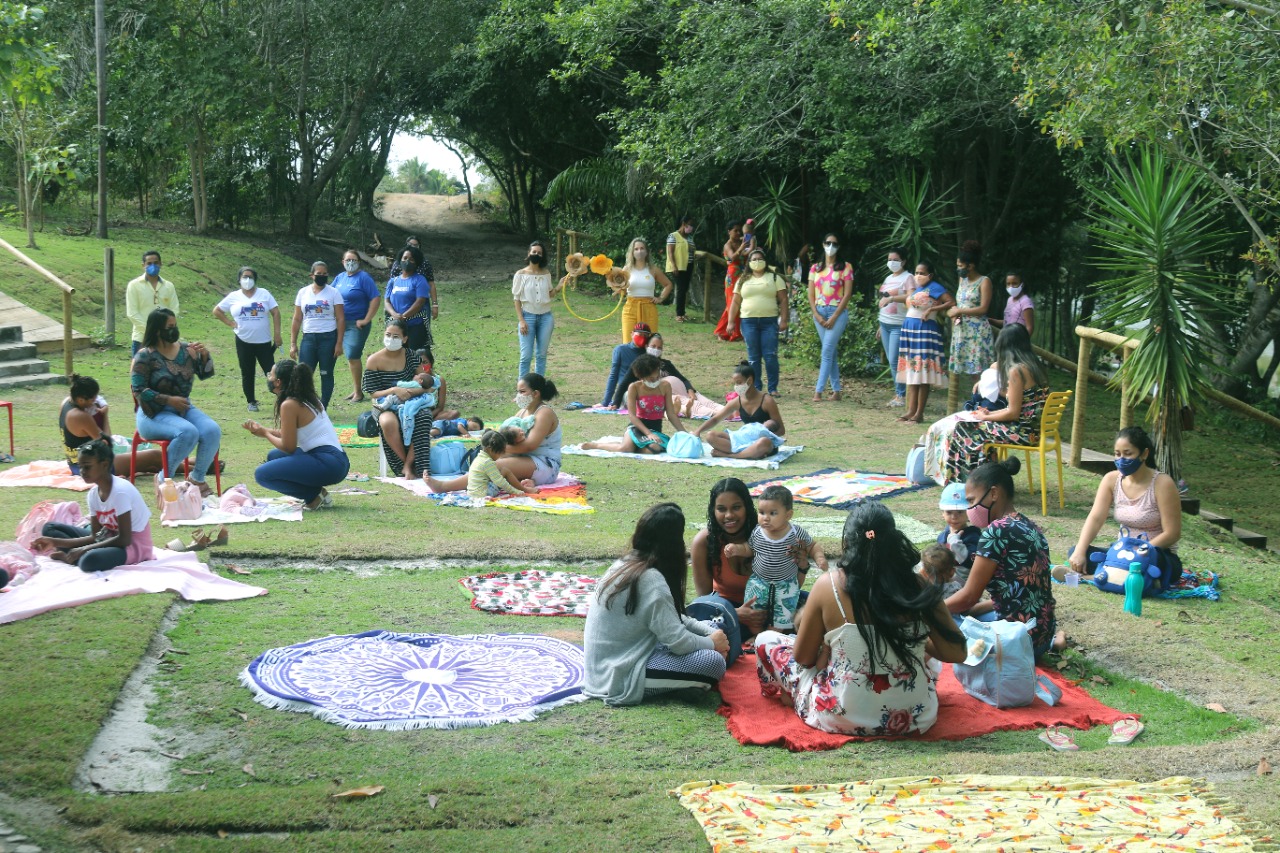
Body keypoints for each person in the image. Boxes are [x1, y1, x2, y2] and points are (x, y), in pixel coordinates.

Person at [754, 501, 967, 736]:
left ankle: (792, 695)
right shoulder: (918, 586)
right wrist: (910, 638)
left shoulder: (829, 586)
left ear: (848, 542)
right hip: (914, 717)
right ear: (894, 541)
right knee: (928, 661)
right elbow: (956, 653)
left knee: (766, 640)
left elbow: (803, 658)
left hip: (838, 715)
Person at [583, 502, 729, 706]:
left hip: (623, 657)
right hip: (618, 673)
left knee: (712, 627)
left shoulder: (628, 563)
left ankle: (683, 684)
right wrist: (713, 644)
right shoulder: (650, 579)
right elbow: (679, 642)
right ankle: (681, 685)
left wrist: (710, 634)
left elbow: (674, 619)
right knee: (712, 662)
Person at [945, 457, 1065, 657]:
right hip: (1041, 635)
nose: (970, 509)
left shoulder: (996, 531)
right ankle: (1054, 642)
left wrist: (928, 609)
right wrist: (972, 610)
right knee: (964, 613)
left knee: (943, 620)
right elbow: (1020, 594)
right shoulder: (1030, 526)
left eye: (972, 501)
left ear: (993, 493)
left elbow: (968, 597)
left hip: (1016, 645)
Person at [923, 322, 1050, 485]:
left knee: (964, 428)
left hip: (1021, 432)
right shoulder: (1036, 367)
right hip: (1032, 430)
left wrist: (987, 417)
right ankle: (986, 478)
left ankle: (967, 482)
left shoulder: (1017, 371)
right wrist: (988, 414)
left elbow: (1013, 412)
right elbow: (1020, 408)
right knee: (972, 426)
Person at [1068, 426, 1183, 580]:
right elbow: (1096, 518)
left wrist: (1140, 551)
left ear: (1144, 454)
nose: (1121, 459)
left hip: (1156, 555)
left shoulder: (1163, 484)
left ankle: (1095, 577)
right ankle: (1115, 575)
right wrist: (1080, 550)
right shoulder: (1111, 480)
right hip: (1122, 552)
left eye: (1128, 454)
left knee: (1138, 564)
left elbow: (1172, 533)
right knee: (1076, 553)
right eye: (1117, 454)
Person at [131, 308, 221, 496]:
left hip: (183, 408)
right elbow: (138, 391)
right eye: (170, 327)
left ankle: (197, 480)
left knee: (212, 430)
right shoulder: (144, 356)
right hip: (152, 413)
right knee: (188, 432)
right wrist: (168, 400)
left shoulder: (186, 351)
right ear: (157, 330)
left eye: (175, 325)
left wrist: (205, 356)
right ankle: (165, 479)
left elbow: (206, 373)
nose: (174, 330)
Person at [243, 360, 350, 511]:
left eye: (270, 375)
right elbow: (290, 434)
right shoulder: (306, 397)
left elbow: (289, 447)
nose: (268, 378)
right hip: (336, 461)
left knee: (262, 474)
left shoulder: (289, 404)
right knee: (274, 456)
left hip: (329, 463)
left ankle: (313, 495)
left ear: (278, 382)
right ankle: (318, 494)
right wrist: (262, 430)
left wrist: (266, 433)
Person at [34, 438, 156, 571]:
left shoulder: (120, 492)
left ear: (104, 465)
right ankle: (74, 556)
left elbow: (124, 539)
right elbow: (95, 536)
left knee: (90, 560)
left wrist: (83, 549)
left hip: (132, 546)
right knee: (50, 529)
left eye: (87, 467)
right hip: (108, 539)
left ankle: (72, 558)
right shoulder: (93, 494)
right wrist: (54, 542)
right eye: (80, 467)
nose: (82, 471)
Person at [426, 373, 563, 491]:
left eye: (522, 392)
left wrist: (498, 449)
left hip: (545, 464)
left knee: (494, 466)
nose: (518, 396)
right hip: (525, 458)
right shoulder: (523, 411)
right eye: (517, 392)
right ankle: (524, 481)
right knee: (486, 460)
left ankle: (444, 487)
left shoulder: (544, 413)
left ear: (536, 394)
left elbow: (529, 446)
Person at [724, 485, 826, 632]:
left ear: (788, 515)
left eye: (772, 513)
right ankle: (757, 636)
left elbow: (812, 546)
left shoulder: (795, 533)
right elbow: (749, 548)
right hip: (759, 582)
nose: (765, 518)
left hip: (786, 584)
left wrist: (820, 557)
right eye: (761, 512)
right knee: (755, 612)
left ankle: (774, 635)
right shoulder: (758, 532)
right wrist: (736, 549)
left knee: (783, 615)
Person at [691, 478, 770, 640]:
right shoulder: (704, 542)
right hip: (726, 612)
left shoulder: (768, 534)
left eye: (736, 508)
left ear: (747, 507)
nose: (729, 515)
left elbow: (788, 587)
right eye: (721, 509)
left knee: (808, 606)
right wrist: (734, 614)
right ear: (713, 511)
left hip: (770, 611)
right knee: (704, 625)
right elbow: (703, 605)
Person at [361, 321, 433, 478]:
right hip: (383, 404)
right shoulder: (374, 360)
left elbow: (425, 383)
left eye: (395, 336)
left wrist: (409, 392)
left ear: (405, 339)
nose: (391, 339)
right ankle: (403, 464)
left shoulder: (412, 356)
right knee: (388, 422)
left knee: (424, 416)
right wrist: (394, 390)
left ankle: (410, 465)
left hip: (411, 401)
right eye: (388, 335)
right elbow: (373, 393)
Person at [888, 261, 953, 424]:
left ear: (930, 275)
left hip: (924, 331)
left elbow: (951, 302)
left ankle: (919, 413)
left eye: (922, 273)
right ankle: (910, 411)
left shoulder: (935, 287)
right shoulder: (917, 289)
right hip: (910, 330)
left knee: (923, 372)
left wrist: (932, 309)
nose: (918, 275)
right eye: (917, 272)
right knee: (912, 372)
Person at [582, 354, 688, 454]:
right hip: (637, 427)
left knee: (653, 449)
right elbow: (632, 416)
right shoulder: (634, 387)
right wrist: (648, 433)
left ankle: (635, 446)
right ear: (641, 377)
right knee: (625, 449)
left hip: (655, 429)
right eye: (651, 378)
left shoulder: (665, 386)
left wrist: (684, 434)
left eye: (657, 377)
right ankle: (596, 445)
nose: (655, 380)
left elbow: (671, 414)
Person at [59, 374, 163, 476]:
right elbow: (107, 443)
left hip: (75, 464)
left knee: (149, 464)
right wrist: (105, 415)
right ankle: (178, 467)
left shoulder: (65, 403)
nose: (94, 402)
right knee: (154, 456)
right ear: (81, 400)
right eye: (92, 400)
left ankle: (173, 467)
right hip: (92, 468)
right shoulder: (81, 416)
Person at [213, 266, 282, 413]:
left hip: (263, 341)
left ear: (255, 279)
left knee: (271, 371)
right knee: (247, 372)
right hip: (243, 340)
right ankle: (251, 401)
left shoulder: (264, 294)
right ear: (239, 279)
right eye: (244, 277)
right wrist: (230, 323)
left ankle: (281, 397)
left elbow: (276, 312)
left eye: (250, 277)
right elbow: (217, 311)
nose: (247, 280)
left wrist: (277, 334)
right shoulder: (234, 296)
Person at [727, 248, 789, 395]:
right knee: (753, 357)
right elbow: (735, 302)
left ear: (765, 261)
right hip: (748, 322)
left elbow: (783, 299)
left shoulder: (774, 278)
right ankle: (757, 387)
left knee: (770, 355)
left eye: (760, 259)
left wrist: (784, 320)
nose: (757, 262)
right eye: (753, 259)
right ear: (749, 262)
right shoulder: (743, 280)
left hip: (769, 321)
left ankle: (773, 388)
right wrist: (731, 322)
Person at [694, 362, 786, 459]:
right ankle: (748, 453)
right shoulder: (737, 401)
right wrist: (698, 431)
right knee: (711, 436)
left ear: (749, 381)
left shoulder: (767, 401)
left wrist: (762, 435)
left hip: (762, 443)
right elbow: (716, 419)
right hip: (743, 441)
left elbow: (781, 430)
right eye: (735, 383)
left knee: (764, 442)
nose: (736, 386)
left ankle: (731, 455)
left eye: (739, 383)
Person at [289, 260, 345, 409]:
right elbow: (297, 318)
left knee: (326, 373)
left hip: (328, 338)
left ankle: (323, 406)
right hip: (308, 338)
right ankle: (305, 403)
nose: (322, 276)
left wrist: (339, 343)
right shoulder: (303, 293)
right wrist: (293, 343)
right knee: (304, 374)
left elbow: (340, 318)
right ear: (312, 275)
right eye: (318, 274)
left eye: (324, 274)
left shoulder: (334, 293)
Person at [808, 233, 854, 402]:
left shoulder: (846, 267)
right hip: (819, 312)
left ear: (839, 246)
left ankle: (818, 391)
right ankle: (836, 391)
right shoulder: (815, 268)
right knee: (831, 352)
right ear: (823, 244)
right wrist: (816, 315)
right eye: (828, 243)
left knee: (826, 352)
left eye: (834, 243)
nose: (831, 246)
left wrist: (834, 316)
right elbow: (810, 294)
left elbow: (847, 294)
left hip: (838, 312)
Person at [331, 249, 382, 403]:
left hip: (356, 324)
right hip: (339, 323)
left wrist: (366, 319)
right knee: (345, 356)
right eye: (348, 260)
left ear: (359, 262)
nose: (350, 263)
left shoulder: (364, 278)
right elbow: (329, 294)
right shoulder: (340, 278)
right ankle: (355, 390)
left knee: (353, 354)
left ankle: (359, 392)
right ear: (343, 262)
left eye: (354, 260)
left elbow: (375, 298)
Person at [948, 240, 996, 388]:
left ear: (971, 265)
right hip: (962, 329)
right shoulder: (962, 280)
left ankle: (985, 402)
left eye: (960, 266)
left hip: (978, 331)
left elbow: (983, 309)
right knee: (971, 372)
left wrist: (959, 310)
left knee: (981, 371)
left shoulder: (984, 281)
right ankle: (976, 401)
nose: (958, 269)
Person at [606, 333, 697, 411]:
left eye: (659, 348)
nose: (656, 350)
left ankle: (685, 408)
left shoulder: (666, 364)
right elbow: (624, 384)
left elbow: (683, 380)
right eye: (653, 346)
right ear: (646, 347)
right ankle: (680, 409)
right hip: (641, 397)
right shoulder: (639, 363)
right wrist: (615, 403)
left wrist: (690, 391)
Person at [513, 240, 559, 379]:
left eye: (539, 252)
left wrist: (560, 286)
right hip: (528, 317)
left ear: (542, 255)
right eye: (534, 252)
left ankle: (539, 387)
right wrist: (521, 320)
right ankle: (523, 389)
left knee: (541, 354)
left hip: (546, 317)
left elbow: (549, 294)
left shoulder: (546, 274)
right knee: (526, 355)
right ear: (529, 254)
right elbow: (517, 299)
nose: (536, 254)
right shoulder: (521, 274)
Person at [615, 238, 673, 342]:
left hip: (649, 307)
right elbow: (619, 288)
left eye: (642, 248)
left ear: (646, 251)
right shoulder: (627, 269)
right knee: (628, 341)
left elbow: (668, 284)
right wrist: (617, 288)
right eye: (636, 249)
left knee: (650, 341)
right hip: (630, 307)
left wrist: (660, 298)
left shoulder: (653, 269)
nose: (639, 251)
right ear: (632, 252)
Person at [877, 247, 913, 407]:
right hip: (884, 323)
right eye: (889, 259)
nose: (892, 262)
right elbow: (882, 300)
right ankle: (899, 393)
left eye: (896, 260)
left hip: (899, 324)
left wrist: (892, 298)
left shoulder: (908, 277)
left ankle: (901, 395)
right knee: (892, 361)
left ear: (903, 261)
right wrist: (879, 324)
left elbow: (911, 297)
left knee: (895, 360)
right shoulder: (887, 278)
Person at [384, 245, 434, 360]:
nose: (407, 261)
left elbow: (420, 301)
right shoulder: (393, 281)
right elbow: (386, 301)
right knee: (396, 355)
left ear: (416, 262)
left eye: (411, 259)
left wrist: (404, 316)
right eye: (405, 258)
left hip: (415, 325)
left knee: (415, 356)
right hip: (396, 326)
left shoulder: (420, 280)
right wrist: (394, 315)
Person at [126, 250, 178, 357]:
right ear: (143, 265)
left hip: (165, 339)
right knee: (140, 371)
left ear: (160, 264)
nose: (153, 266)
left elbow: (174, 310)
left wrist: (164, 330)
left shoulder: (168, 286)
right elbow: (132, 313)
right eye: (149, 263)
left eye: (156, 263)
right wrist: (152, 331)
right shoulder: (134, 285)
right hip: (142, 338)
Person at [467, 429, 539, 499]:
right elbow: (500, 482)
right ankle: (525, 490)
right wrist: (516, 492)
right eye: (499, 453)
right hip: (483, 493)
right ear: (490, 449)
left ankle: (522, 488)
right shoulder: (487, 462)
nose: (500, 456)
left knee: (502, 472)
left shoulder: (479, 458)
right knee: (505, 471)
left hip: (472, 492)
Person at [600, 322, 652, 408]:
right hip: (626, 392)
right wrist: (605, 402)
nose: (642, 338)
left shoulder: (649, 353)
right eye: (640, 334)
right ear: (632, 334)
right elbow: (613, 376)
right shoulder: (620, 350)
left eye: (646, 336)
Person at [714, 222, 746, 342]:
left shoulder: (742, 241)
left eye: (739, 231)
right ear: (729, 231)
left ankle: (731, 332)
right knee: (732, 303)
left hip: (743, 275)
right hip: (732, 276)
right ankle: (724, 332)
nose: (738, 233)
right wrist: (741, 248)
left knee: (740, 302)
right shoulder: (728, 245)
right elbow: (732, 257)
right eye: (735, 231)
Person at [665, 216, 696, 322]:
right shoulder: (673, 236)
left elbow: (691, 250)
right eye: (690, 224)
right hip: (678, 266)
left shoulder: (689, 237)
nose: (691, 227)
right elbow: (670, 252)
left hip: (689, 265)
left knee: (685, 289)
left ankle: (682, 313)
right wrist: (674, 266)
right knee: (681, 289)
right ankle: (679, 314)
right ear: (684, 223)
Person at [1002, 270, 1035, 336]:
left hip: (1018, 341)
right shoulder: (1009, 300)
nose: (1011, 287)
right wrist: (990, 320)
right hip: (1006, 339)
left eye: (1014, 283)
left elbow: (1030, 327)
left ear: (1022, 284)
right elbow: (1008, 321)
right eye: (1008, 284)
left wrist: (1022, 342)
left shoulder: (1025, 301)